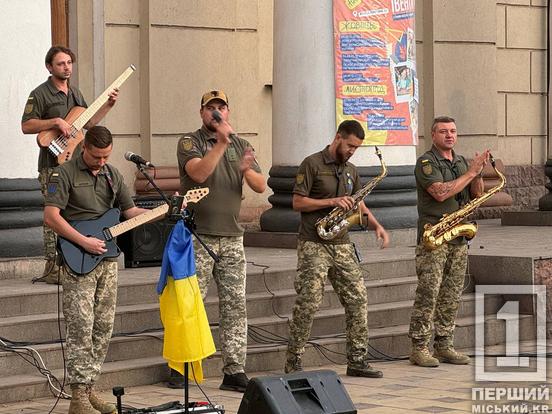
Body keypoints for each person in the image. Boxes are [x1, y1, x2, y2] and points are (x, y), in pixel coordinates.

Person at [44, 126, 151, 414]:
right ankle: (77, 397)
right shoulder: (63, 174)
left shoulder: (112, 175)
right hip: (78, 257)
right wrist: (83, 241)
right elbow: (51, 216)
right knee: (81, 326)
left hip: (107, 260)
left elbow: (128, 213)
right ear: (84, 148)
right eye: (96, 156)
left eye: (106, 156)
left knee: (103, 327)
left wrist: (162, 212)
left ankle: (90, 388)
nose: (101, 161)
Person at [175, 90, 266, 392]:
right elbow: (199, 174)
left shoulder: (242, 144)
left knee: (235, 306)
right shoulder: (190, 142)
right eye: (210, 108)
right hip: (198, 236)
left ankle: (234, 370)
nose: (216, 113)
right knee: (191, 304)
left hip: (231, 237)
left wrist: (245, 167)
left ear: (228, 112)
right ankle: (183, 367)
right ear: (201, 113)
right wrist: (222, 143)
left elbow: (260, 184)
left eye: (221, 108)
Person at [284, 120, 390, 378]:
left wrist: (376, 225)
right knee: (308, 302)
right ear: (338, 137)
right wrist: (331, 201)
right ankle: (293, 362)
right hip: (314, 243)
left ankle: (357, 360)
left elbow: (358, 203)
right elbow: (297, 202)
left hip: (342, 243)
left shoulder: (352, 170)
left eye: (357, 147)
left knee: (358, 299)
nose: (353, 150)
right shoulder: (311, 164)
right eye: (350, 145)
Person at [22, 45, 119, 284]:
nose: (66, 67)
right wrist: (55, 121)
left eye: (69, 63)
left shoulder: (75, 94)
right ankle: (52, 266)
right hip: (52, 166)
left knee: (73, 215)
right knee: (53, 214)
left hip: (75, 163)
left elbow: (89, 123)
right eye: (60, 64)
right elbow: (26, 125)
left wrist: (108, 105)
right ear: (49, 67)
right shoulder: (40, 93)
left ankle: (71, 260)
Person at [408, 116, 489, 367]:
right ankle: (419, 347)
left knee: (452, 294)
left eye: (453, 131)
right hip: (435, 235)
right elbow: (440, 193)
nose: (449, 135)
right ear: (433, 135)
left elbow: (476, 194)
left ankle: (444, 345)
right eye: (443, 131)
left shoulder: (461, 162)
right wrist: (471, 172)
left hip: (458, 235)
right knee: (429, 292)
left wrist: (477, 174)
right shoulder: (426, 162)